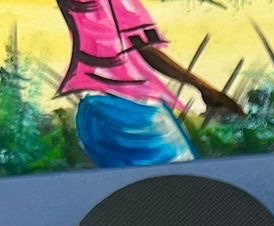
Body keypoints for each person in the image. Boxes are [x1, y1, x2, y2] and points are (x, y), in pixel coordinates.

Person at [55, 0, 241, 168]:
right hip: (131, 112)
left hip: (90, 114)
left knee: (129, 189)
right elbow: (145, 48)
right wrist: (203, 87)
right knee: (184, 181)